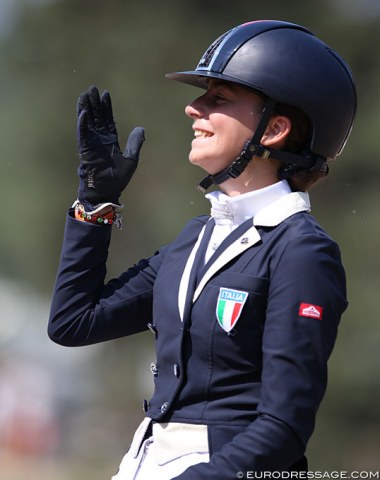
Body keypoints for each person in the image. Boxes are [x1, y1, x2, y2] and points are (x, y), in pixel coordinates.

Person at [48, 20, 357, 480]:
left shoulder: (302, 252)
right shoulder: (196, 237)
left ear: (273, 129)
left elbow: (284, 428)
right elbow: (73, 322)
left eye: (218, 99)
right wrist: (96, 204)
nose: (193, 109)